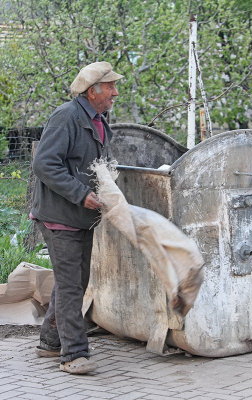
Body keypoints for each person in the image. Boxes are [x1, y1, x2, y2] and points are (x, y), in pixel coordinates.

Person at [30, 61, 123, 374]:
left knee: (73, 282)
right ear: (92, 90)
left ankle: (49, 341)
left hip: (79, 216)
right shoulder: (67, 116)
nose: (115, 92)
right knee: (72, 286)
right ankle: (73, 355)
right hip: (60, 216)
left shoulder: (96, 119)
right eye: (110, 86)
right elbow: (44, 164)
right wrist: (80, 193)